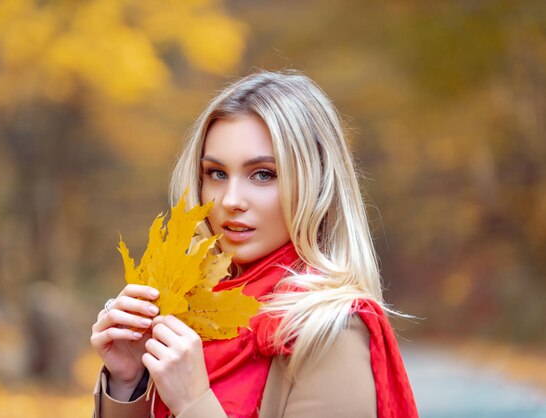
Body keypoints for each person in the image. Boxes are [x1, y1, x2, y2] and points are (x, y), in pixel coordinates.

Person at [90, 70, 418, 417]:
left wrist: (192, 402)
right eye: (217, 173)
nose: (231, 199)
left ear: (314, 184)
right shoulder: (188, 314)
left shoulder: (332, 332)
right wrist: (129, 383)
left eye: (263, 174)